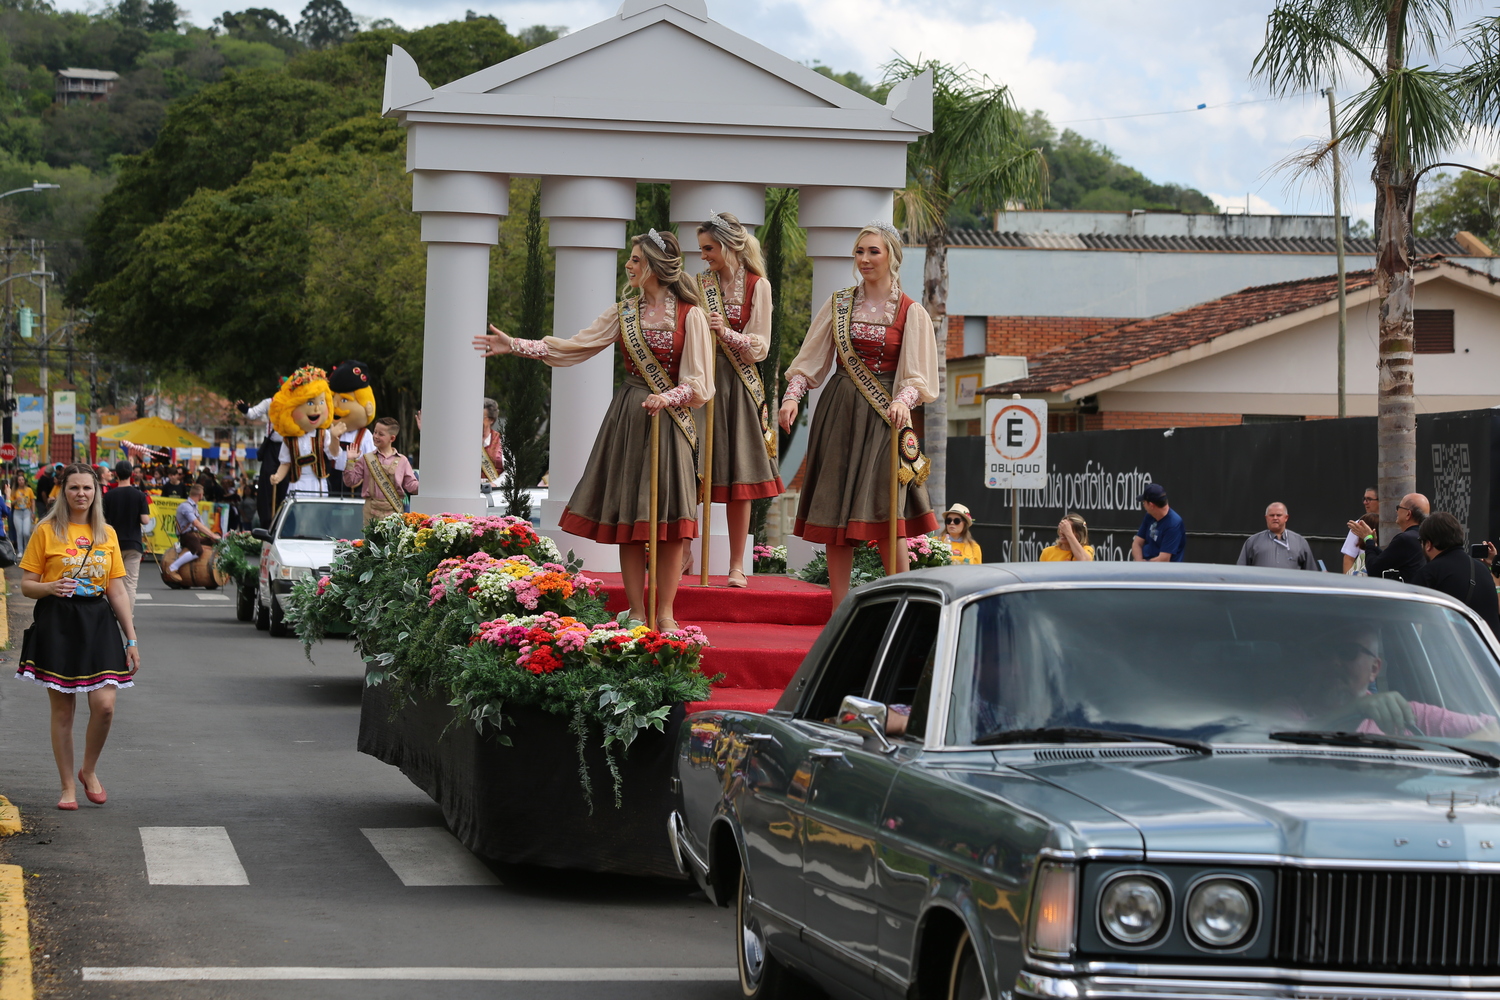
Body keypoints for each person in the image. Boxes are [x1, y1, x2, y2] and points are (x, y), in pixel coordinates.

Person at [474, 228, 713, 630]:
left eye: (636, 259)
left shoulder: (692, 316)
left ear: (655, 265)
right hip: (629, 419)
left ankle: (667, 613)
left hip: (671, 424)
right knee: (630, 522)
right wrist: (516, 344)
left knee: (673, 525)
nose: (629, 265)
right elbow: (576, 346)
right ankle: (637, 610)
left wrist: (668, 397)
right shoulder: (624, 312)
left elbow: (701, 383)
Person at [776, 222, 939, 607]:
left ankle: (900, 606)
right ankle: (840, 608)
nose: (864, 259)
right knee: (836, 516)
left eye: (873, 251)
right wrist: (792, 396)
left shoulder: (911, 312)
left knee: (887, 515)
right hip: (840, 414)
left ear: (892, 257)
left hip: (887, 419)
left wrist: (904, 398)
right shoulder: (840, 304)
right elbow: (812, 359)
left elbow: (919, 374)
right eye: (859, 252)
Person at [15, 462, 140, 810]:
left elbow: (116, 590)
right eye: (74, 488)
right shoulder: (46, 531)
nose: (81, 494)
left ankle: (89, 769)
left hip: (98, 622)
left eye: (87, 488)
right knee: (63, 712)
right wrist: (49, 586)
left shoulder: (108, 534)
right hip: (58, 622)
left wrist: (131, 639)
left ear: (96, 491)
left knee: (105, 707)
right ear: (62, 491)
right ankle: (68, 786)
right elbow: (26, 585)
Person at [696, 211, 785, 587]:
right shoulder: (700, 283)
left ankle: (737, 564)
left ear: (729, 245)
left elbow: (760, 346)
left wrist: (727, 333)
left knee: (741, 475)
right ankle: (686, 553)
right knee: (694, 468)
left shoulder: (757, 286)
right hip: (703, 380)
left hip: (740, 383)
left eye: (709, 248)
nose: (704, 256)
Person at [1292, 625, 1496, 738]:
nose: (1334, 662)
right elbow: (1279, 739)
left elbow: (1493, 729)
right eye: (1324, 652)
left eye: (1348, 652)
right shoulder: (1289, 710)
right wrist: (1355, 710)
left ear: (1374, 669)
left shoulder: (1408, 714)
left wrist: (1451, 778)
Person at [1411, 512, 1500, 632]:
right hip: (1487, 648)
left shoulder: (1429, 573)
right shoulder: (1482, 569)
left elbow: (1413, 622)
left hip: (1451, 649)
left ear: (1428, 544)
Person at [343, 416, 419, 525]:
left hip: (394, 510)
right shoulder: (366, 459)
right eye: (375, 432)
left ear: (392, 438)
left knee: (393, 541)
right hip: (371, 510)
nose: (376, 436)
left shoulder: (402, 460)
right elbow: (350, 482)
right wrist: (350, 461)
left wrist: (426, 486)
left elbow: (411, 485)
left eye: (381, 434)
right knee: (371, 541)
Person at [102, 461, 151, 610]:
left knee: (112, 583)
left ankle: (113, 614)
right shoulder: (140, 495)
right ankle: (127, 618)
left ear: (116, 475)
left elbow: (103, 520)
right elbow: (145, 520)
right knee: (130, 583)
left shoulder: (109, 495)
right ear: (132, 474)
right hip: (133, 543)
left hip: (113, 544)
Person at [1348, 492, 1428, 583]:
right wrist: (1373, 544)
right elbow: (1386, 559)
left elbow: (1374, 569)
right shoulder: (1426, 538)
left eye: (1398, 508)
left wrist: (1368, 539)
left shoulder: (1405, 539)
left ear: (1408, 514)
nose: (1396, 511)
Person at [164, 483, 222, 584]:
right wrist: (212, 535)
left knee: (213, 542)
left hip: (194, 534)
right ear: (200, 495)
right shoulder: (185, 507)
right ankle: (172, 567)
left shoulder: (194, 507)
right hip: (186, 535)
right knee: (198, 551)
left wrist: (213, 536)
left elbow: (201, 526)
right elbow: (196, 523)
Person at [1237, 502, 1316, 570]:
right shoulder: (1253, 541)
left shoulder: (1300, 542)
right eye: (1271, 515)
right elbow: (1241, 571)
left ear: (1286, 518)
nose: (1275, 518)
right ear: (1266, 518)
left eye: (1278, 515)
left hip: (1290, 587)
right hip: (1262, 587)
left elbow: (1311, 572)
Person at [1131, 483, 1185, 562]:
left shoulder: (1173, 524)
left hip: (1165, 572)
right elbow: (1137, 543)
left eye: (1144, 502)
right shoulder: (1149, 516)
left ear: (1151, 505)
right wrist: (1140, 564)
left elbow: (1163, 559)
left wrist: (1144, 565)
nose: (1143, 505)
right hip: (1145, 568)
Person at [1341, 487, 1380, 574]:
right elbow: (1349, 557)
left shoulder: (1394, 524)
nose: (1365, 502)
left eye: (1369, 499)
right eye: (1364, 499)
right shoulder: (1360, 524)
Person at [481, 398, 504, 490]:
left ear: (491, 420)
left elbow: (511, 472)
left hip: (495, 493)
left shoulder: (503, 442)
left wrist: (494, 484)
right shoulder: (464, 442)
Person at [10, 474, 34, 553]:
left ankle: (27, 548)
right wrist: (16, 500)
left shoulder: (29, 490)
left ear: (24, 481)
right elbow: (10, 503)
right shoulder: (14, 491)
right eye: (19, 480)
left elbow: (32, 500)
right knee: (19, 532)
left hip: (27, 511)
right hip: (17, 512)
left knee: (26, 532)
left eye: (22, 480)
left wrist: (33, 512)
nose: (21, 481)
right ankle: (20, 551)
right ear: (17, 481)